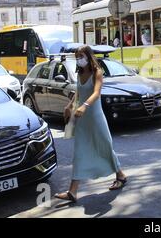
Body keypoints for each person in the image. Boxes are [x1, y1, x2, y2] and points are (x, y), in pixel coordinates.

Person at [55, 45, 127, 203]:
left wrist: (84, 106)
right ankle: (72, 192)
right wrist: (69, 105)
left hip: (95, 117)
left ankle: (120, 174)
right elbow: (79, 92)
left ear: (88, 56)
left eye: (81, 56)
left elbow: (96, 92)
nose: (79, 59)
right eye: (77, 57)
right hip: (82, 119)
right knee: (80, 152)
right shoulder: (80, 72)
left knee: (105, 146)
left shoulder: (97, 72)